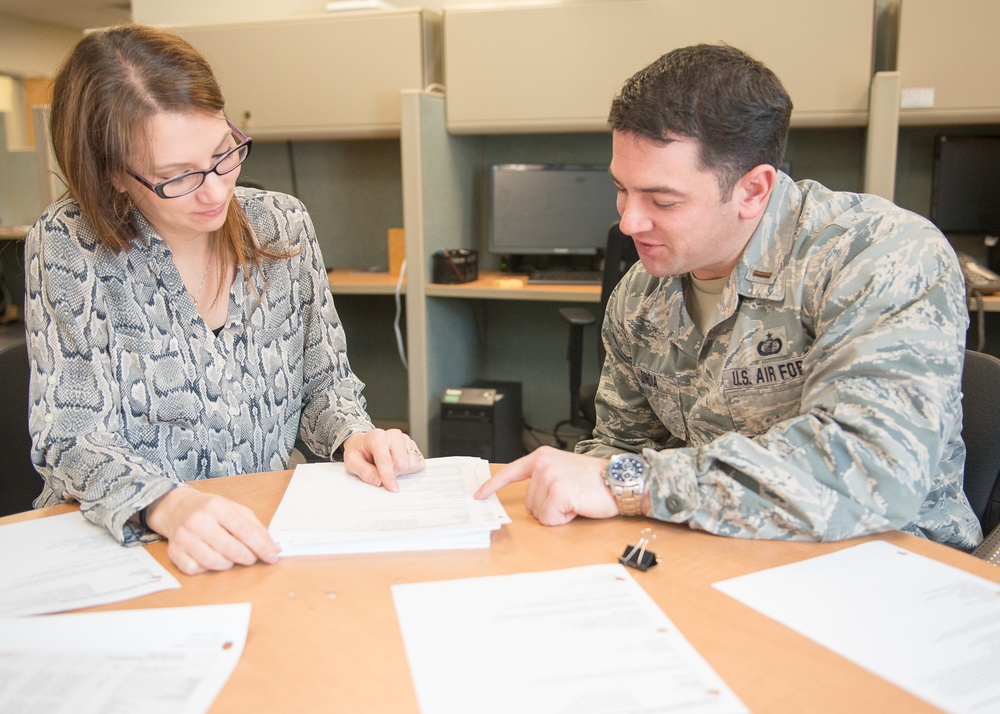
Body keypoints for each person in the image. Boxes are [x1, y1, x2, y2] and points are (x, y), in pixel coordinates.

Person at [477, 44, 982, 550]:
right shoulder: (640, 294)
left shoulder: (879, 254)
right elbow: (621, 447)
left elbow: (872, 471)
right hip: (728, 549)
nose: (629, 221)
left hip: (891, 560)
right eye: (622, 190)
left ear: (753, 190)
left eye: (663, 200)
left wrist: (631, 484)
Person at [25, 24, 425, 575]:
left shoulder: (281, 224)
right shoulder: (70, 244)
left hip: (256, 539)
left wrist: (353, 434)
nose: (217, 191)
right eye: (178, 177)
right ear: (113, 176)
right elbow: (69, 437)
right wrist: (171, 504)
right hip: (122, 552)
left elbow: (323, 385)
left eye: (222, 153)